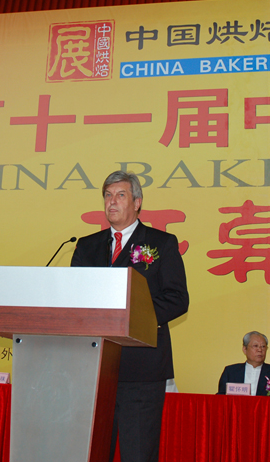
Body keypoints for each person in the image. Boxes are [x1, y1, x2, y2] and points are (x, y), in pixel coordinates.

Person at [71, 170, 189, 462]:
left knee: (138, 453)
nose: (112, 202)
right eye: (107, 196)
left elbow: (177, 299)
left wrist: (130, 315)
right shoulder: (86, 245)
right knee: (90, 453)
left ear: (137, 202)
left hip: (141, 369)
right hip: (94, 368)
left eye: (120, 195)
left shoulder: (161, 243)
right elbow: (74, 299)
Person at [217, 331, 270, 397]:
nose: (260, 350)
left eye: (263, 346)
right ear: (245, 349)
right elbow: (221, 399)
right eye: (255, 346)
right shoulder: (230, 372)